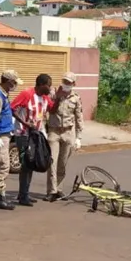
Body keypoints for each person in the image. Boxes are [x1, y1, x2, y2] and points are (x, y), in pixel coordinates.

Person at [10, 73, 53, 206]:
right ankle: (23, 196)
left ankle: (24, 193)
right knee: (27, 164)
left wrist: (59, 97)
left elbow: (53, 108)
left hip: (37, 134)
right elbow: (13, 109)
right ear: (41, 84)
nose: (50, 88)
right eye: (48, 85)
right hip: (23, 134)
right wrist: (25, 123)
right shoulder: (27, 94)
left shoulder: (45, 97)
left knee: (32, 163)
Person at [0, 69, 23, 210]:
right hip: (0, 135)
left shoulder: (3, 94)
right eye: (14, 82)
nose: (15, 85)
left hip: (3, 134)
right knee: (3, 165)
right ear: (8, 82)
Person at [46, 71, 84, 202]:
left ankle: (59, 189)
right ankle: (51, 191)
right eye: (64, 81)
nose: (66, 84)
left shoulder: (76, 98)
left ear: (74, 84)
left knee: (62, 163)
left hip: (68, 132)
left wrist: (79, 137)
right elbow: (48, 109)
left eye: (69, 82)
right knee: (52, 162)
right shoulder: (53, 94)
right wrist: (57, 96)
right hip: (54, 131)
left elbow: (79, 118)